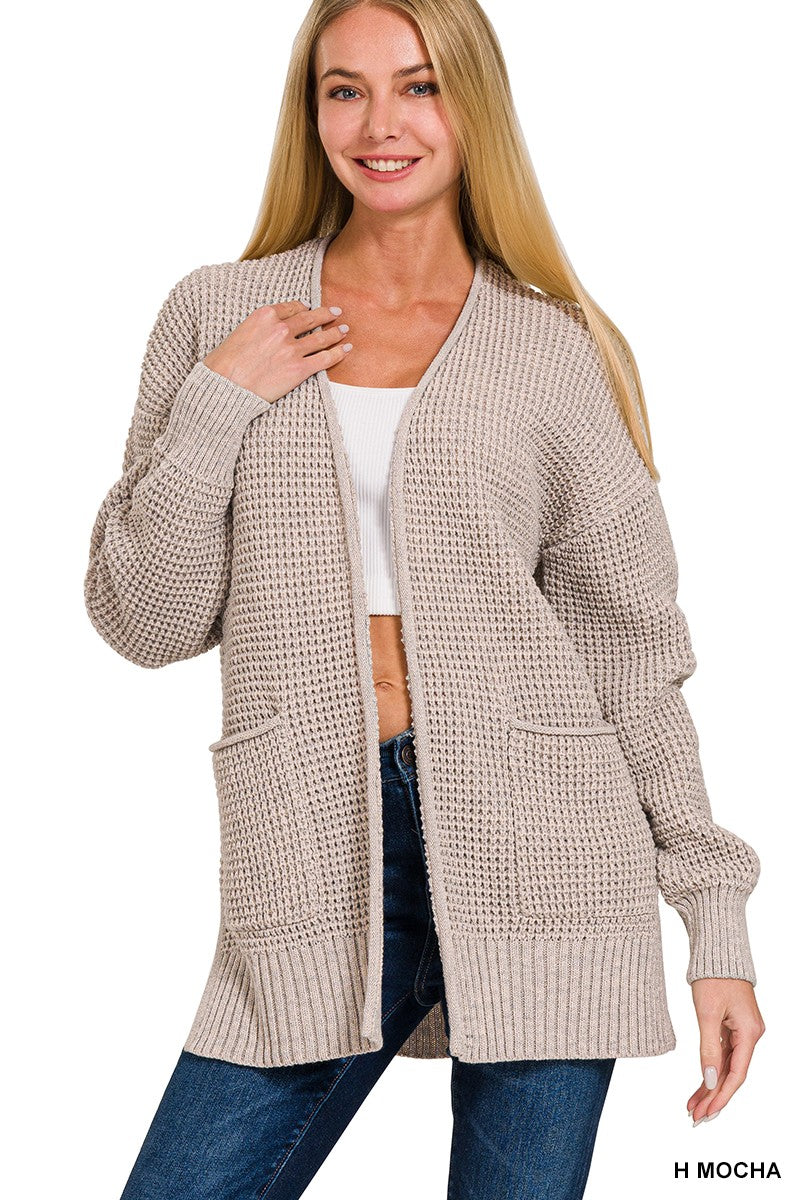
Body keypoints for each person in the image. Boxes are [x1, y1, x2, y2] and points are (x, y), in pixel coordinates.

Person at [84, 2, 766, 1197]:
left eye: (418, 85)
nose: (379, 124)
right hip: (311, 847)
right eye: (343, 89)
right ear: (310, 114)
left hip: (550, 857)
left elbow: (629, 654)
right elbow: (142, 619)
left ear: (471, 105)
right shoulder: (220, 313)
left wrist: (714, 925)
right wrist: (217, 405)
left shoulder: (550, 345)